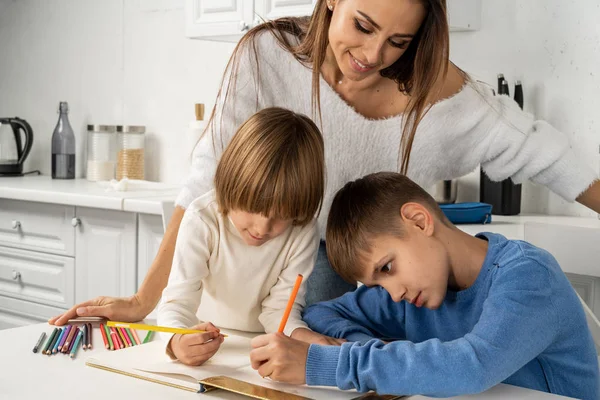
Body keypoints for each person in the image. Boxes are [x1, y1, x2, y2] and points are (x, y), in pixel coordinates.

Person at [49, 0, 600, 326]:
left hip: (368, 274)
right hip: (268, 268)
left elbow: (553, 158)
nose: (373, 55)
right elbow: (205, 181)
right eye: (363, 26)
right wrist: (147, 300)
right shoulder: (266, 55)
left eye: (398, 42)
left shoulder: (449, 103)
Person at [249, 172, 599, 399]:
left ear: (418, 221)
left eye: (386, 267)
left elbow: (471, 366)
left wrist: (323, 363)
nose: (392, 293)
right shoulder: (410, 292)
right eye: (377, 283)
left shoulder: (528, 276)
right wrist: (365, 347)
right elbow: (323, 312)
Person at [156, 107, 344, 366]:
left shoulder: (303, 230)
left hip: (259, 348)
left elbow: (281, 309)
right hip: (207, 346)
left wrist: (304, 337)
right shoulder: (202, 220)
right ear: (229, 184)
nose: (262, 228)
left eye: (281, 216)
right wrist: (176, 342)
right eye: (253, 209)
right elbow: (177, 302)